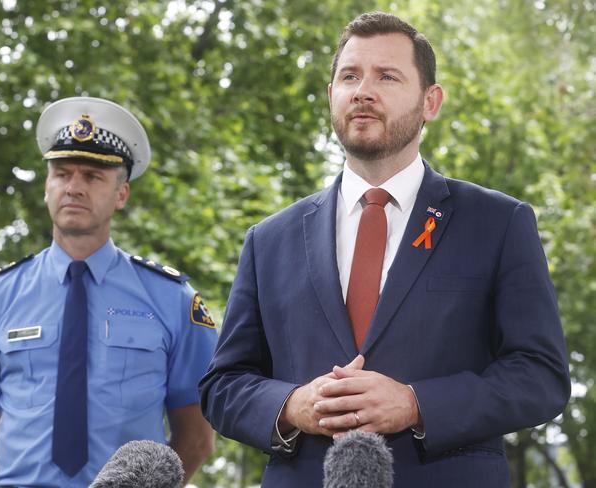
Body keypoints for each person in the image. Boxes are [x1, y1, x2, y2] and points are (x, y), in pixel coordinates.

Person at [199, 11, 570, 487]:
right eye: (349, 76)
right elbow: (223, 386)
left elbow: (540, 376)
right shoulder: (269, 239)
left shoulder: (498, 223)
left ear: (430, 102)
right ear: (332, 94)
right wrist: (293, 406)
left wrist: (416, 403)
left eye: (387, 76)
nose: (363, 91)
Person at [0, 97, 218, 487]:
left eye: (92, 177)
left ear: (121, 194)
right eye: (61, 173)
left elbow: (196, 437)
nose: (73, 187)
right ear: (46, 186)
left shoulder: (172, 300)